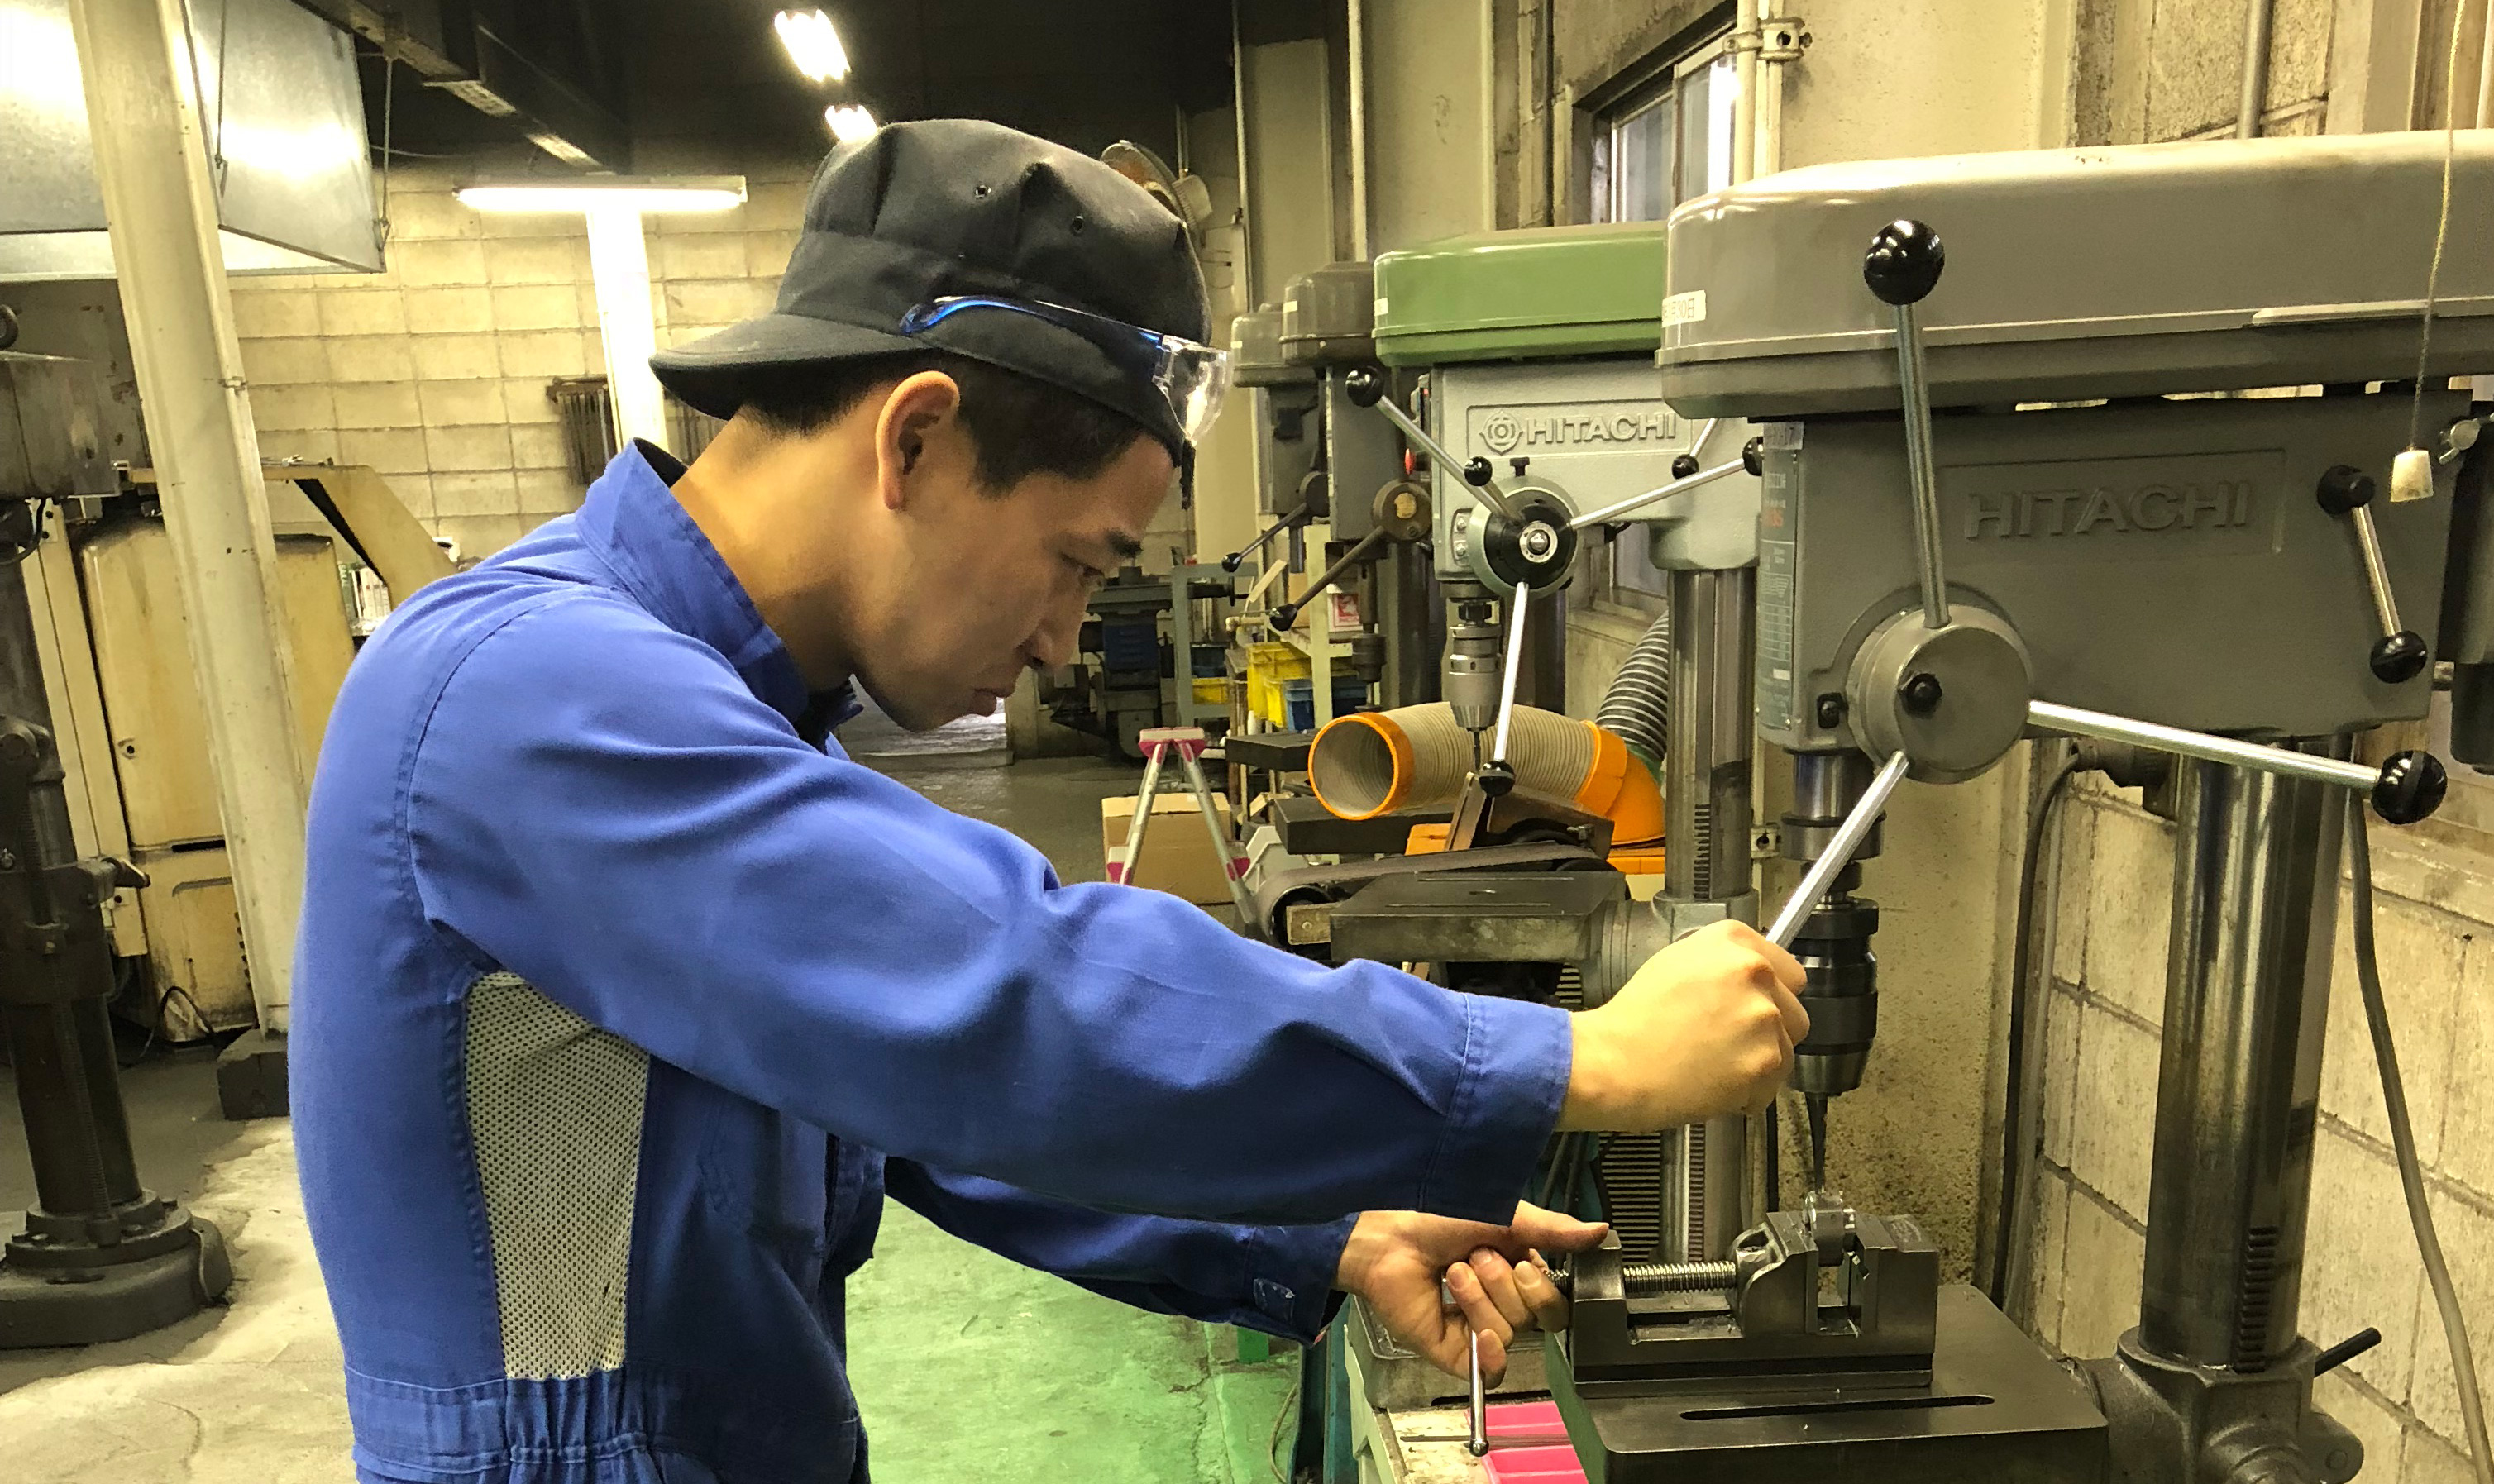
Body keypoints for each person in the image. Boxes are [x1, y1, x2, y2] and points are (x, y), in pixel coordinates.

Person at [291, 118, 1808, 1484]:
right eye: (1078, 562)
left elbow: (907, 1115)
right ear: (915, 439)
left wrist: (1324, 1232)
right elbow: (1005, 995)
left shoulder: (728, 713)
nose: (1067, 641)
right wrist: (1570, 1061)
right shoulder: (528, 688)